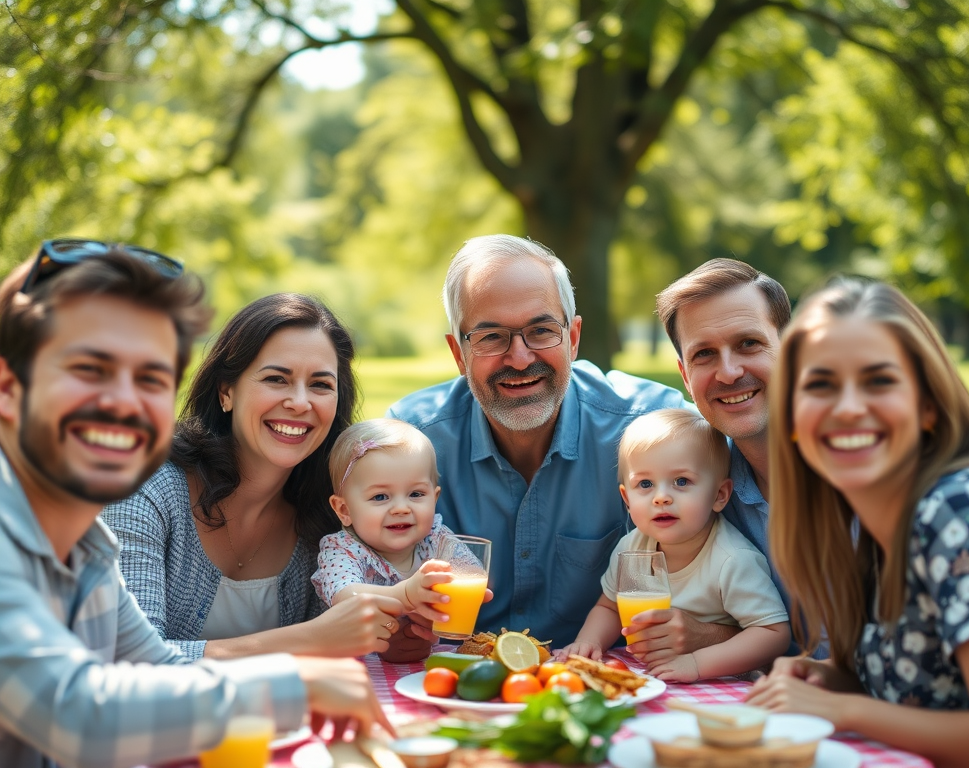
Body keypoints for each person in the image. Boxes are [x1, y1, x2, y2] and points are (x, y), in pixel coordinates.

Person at [0, 240, 390, 768]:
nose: (124, 403)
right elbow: (76, 711)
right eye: (90, 369)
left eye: (151, 379)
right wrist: (294, 679)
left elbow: (153, 671)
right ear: (8, 388)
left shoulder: (87, 544)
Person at [745, 277, 969, 766]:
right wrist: (837, 676)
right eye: (821, 385)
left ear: (928, 406)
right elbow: (936, 687)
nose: (849, 408)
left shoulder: (964, 509)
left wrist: (844, 709)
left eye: (879, 381)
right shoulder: (870, 531)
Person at [388, 234, 686, 648]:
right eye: (491, 337)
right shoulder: (407, 442)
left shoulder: (657, 431)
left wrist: (705, 631)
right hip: (453, 685)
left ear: (574, 338)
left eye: (541, 331)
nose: (520, 358)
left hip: (608, 685)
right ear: (459, 353)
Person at [103, 294, 404, 661]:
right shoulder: (144, 491)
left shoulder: (331, 516)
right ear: (226, 391)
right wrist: (310, 639)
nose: (299, 402)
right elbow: (127, 661)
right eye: (277, 379)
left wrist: (397, 636)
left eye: (321, 385)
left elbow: (341, 649)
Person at [653, 258, 825, 661]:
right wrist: (711, 635)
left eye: (749, 343)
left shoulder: (856, 469)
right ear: (684, 376)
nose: (728, 373)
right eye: (704, 355)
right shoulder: (700, 487)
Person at [560, 409, 790, 681]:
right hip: (652, 675)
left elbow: (773, 634)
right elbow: (609, 607)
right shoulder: (632, 549)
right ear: (627, 499)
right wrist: (590, 642)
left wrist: (696, 663)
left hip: (716, 679)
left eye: (681, 481)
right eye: (645, 483)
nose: (661, 498)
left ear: (719, 495)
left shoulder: (732, 559)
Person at [311, 418, 455, 622]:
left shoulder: (436, 537)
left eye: (415, 494)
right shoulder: (344, 550)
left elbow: (470, 573)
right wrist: (405, 595)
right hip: (352, 653)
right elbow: (345, 597)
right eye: (380, 497)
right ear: (344, 510)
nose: (401, 509)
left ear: (434, 498)